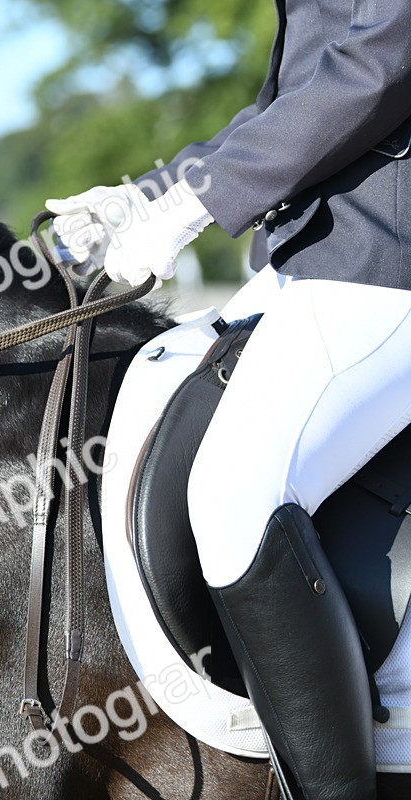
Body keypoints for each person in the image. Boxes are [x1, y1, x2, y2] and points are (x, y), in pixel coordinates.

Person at [47, 3, 411, 798]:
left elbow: (385, 59)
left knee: (234, 495)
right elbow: (297, 93)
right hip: (313, 254)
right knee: (153, 373)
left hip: (390, 258)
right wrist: (148, 196)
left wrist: (197, 206)